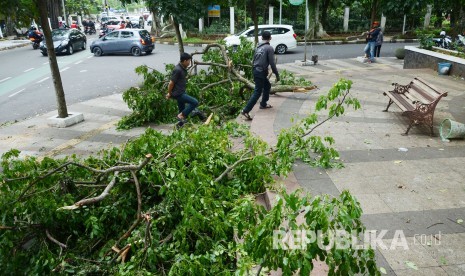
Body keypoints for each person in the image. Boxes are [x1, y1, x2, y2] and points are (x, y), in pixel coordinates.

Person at [241, 30, 280, 120]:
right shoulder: (269, 48)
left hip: (256, 71)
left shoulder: (258, 47)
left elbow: (253, 61)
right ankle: (246, 110)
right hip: (260, 72)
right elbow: (272, 64)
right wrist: (277, 75)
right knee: (258, 91)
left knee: (267, 86)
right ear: (270, 38)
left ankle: (263, 104)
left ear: (261, 38)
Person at [166, 53, 199, 127]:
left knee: (182, 109)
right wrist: (169, 93)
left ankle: (180, 126)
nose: (190, 63)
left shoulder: (182, 68)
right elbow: (171, 83)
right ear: (184, 61)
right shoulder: (177, 70)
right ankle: (180, 116)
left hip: (181, 92)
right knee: (195, 102)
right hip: (179, 94)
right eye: (189, 61)